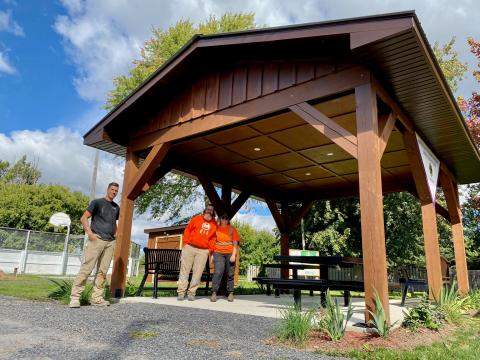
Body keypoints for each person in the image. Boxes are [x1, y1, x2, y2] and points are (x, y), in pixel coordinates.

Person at [69, 182, 120, 308]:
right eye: (112, 189)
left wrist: (116, 235)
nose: (114, 192)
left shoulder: (116, 207)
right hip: (96, 240)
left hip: (110, 242)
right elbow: (83, 218)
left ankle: (97, 298)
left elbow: (113, 223)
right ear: (107, 189)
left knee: (102, 272)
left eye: (116, 191)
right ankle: (75, 298)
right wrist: (90, 234)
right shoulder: (97, 202)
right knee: (87, 269)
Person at [177, 204, 217, 301]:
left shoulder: (215, 224)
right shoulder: (196, 218)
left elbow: (213, 239)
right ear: (205, 210)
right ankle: (181, 292)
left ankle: (192, 293)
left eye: (211, 210)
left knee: (198, 273)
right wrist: (186, 244)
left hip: (203, 251)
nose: (209, 211)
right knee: (184, 271)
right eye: (207, 209)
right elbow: (187, 230)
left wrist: (210, 250)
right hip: (190, 248)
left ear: (213, 212)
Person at [210, 213, 240, 303]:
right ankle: (214, 292)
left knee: (230, 273)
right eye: (223, 218)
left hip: (229, 253)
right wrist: (212, 255)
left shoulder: (232, 229)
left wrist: (233, 255)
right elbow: (213, 242)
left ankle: (230, 292)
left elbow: (235, 243)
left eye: (226, 218)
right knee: (218, 272)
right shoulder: (216, 229)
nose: (224, 220)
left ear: (228, 220)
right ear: (220, 219)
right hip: (218, 252)